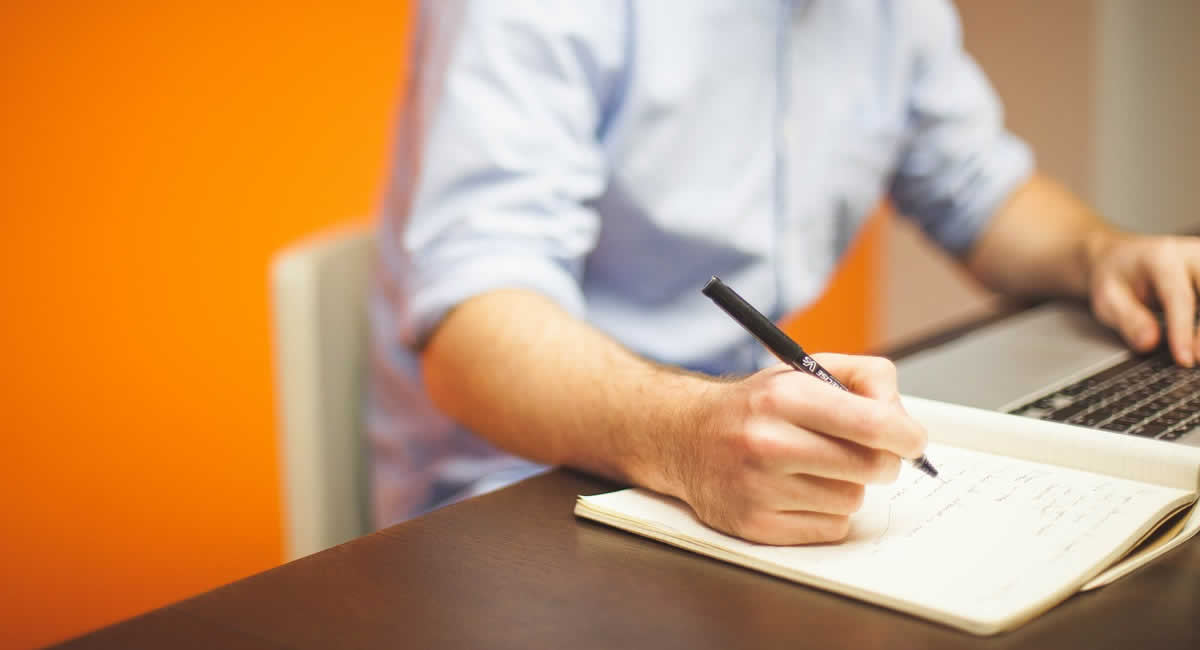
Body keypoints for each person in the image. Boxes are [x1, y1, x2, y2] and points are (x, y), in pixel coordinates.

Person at [368, 1, 1200, 544]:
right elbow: (473, 327)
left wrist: (1100, 253)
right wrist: (685, 437)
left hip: (733, 455)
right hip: (522, 493)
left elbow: (976, 187)